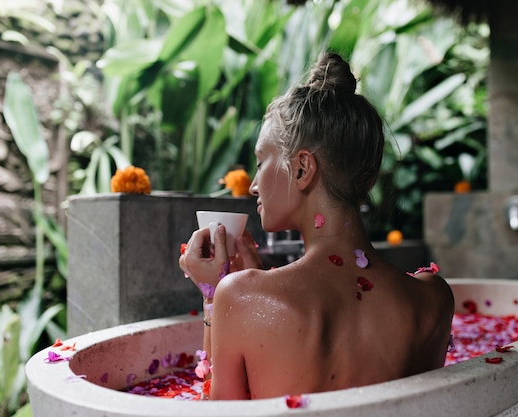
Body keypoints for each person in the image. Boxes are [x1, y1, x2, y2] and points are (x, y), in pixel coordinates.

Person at [179, 52, 454, 401]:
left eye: (262, 161)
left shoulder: (240, 296)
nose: (252, 185)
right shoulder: (433, 299)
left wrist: (214, 299)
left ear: (302, 169)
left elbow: (219, 414)